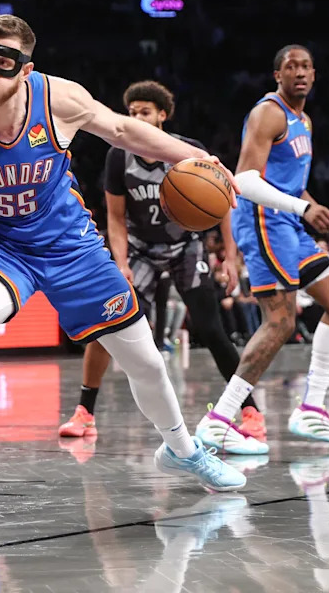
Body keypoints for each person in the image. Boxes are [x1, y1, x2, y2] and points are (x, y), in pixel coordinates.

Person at [0, 14, 246, 532]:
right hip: (3, 248)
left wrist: (200, 157)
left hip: (71, 247)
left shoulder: (58, 98)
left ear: (26, 68)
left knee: (148, 363)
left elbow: (123, 130)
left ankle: (181, 449)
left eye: (3, 64)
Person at [60, 80, 266, 453]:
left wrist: (230, 257)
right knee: (106, 324)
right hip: (140, 249)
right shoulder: (118, 156)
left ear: (162, 116)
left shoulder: (188, 152)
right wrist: (120, 263)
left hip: (185, 247)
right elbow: (116, 218)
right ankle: (84, 413)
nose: (137, 117)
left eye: (145, 112)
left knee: (212, 328)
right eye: (132, 112)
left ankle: (249, 411)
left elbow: (223, 208)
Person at [209, 44, 329, 449]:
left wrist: (324, 212)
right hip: (262, 221)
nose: (301, 71)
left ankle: (312, 411)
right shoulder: (269, 112)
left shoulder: (304, 121)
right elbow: (245, 180)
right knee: (280, 322)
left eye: (307, 66)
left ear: (314, 75)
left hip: (289, 223)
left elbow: (290, 182)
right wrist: (302, 207)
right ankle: (220, 419)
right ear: (277, 75)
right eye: (292, 66)